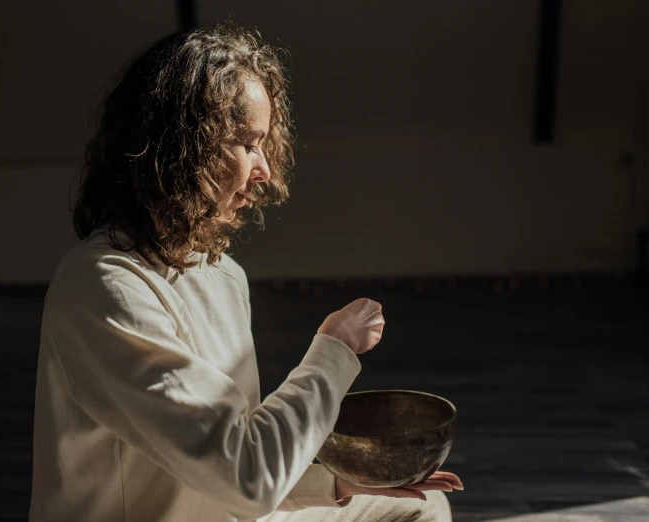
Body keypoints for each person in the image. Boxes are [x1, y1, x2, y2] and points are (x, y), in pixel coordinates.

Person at [29, 23, 463, 522]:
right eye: (247, 144)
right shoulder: (102, 286)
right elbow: (248, 477)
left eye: (264, 144)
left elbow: (235, 450)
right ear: (182, 147)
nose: (265, 172)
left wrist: (336, 481)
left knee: (423, 506)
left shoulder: (222, 274)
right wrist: (334, 350)